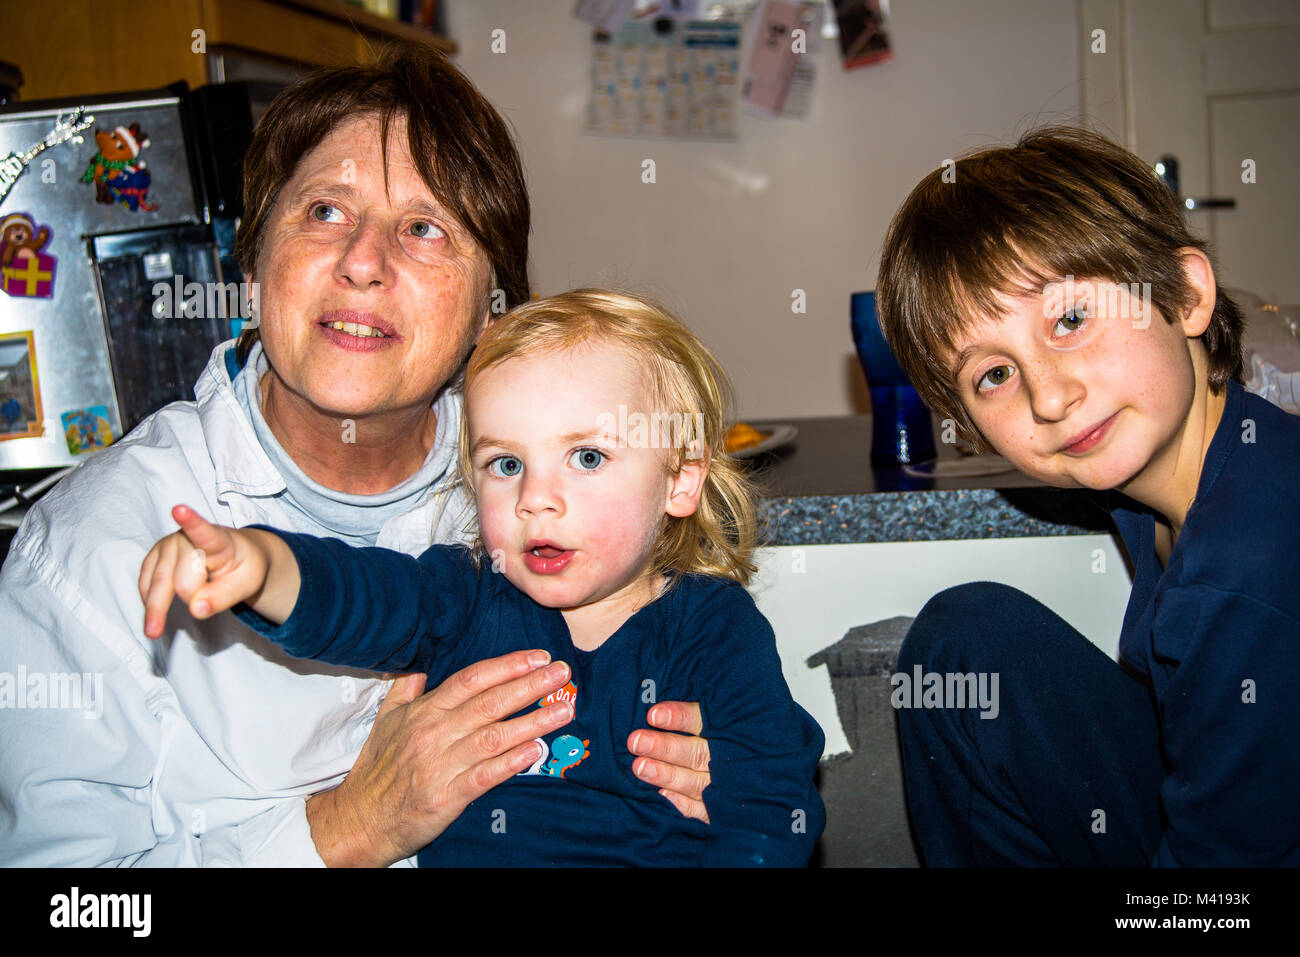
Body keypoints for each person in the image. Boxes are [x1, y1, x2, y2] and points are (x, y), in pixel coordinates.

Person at [0, 44, 715, 867]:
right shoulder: (92, 547)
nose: (363, 263)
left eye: (422, 229)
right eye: (325, 212)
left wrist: (699, 765)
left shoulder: (556, 504)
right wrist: (344, 828)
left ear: (496, 310)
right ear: (255, 258)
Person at [139, 289, 827, 866]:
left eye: (587, 456)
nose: (536, 497)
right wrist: (261, 564)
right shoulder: (464, 594)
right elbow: (359, 595)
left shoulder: (715, 628)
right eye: (506, 464)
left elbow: (771, 799)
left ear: (679, 481)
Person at [875, 126, 1300, 866]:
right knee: (966, 643)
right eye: (994, 375)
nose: (1049, 395)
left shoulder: (1248, 574)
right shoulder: (1177, 473)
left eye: (1071, 320)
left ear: (1188, 294)